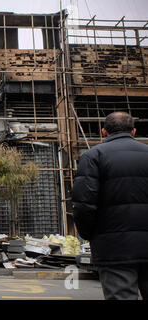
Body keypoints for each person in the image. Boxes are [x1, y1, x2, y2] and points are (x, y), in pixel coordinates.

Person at [72, 111, 148, 300]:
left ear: (103, 132)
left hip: (114, 246)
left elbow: (83, 204)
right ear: (134, 131)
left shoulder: (93, 156)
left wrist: (89, 234)